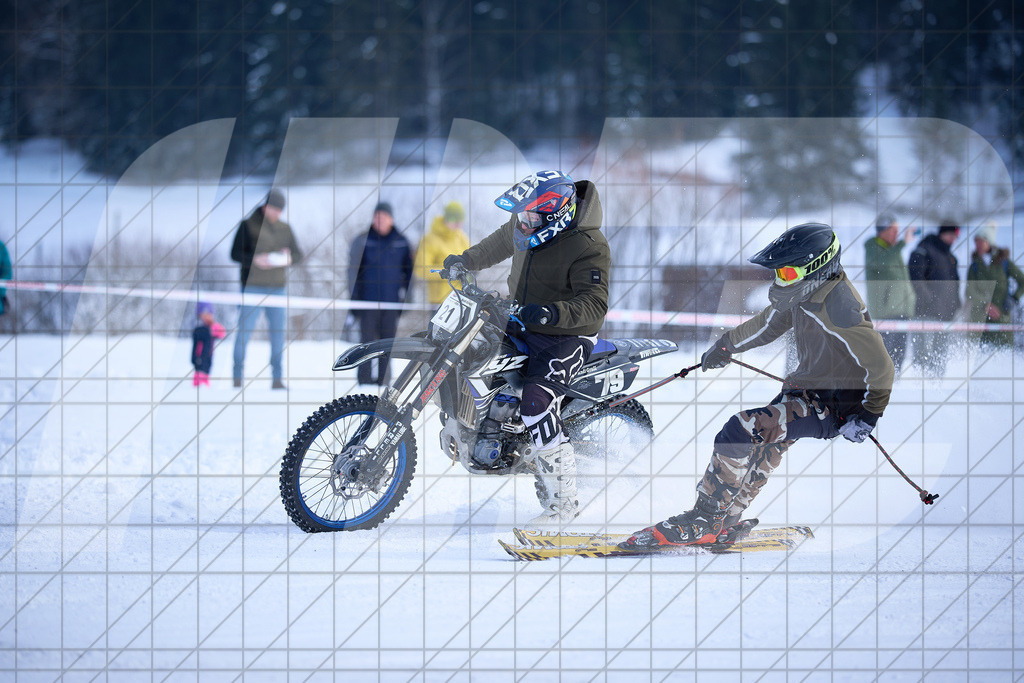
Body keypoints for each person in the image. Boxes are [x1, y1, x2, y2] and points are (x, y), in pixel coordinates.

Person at [623, 223, 894, 548]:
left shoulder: (840, 307)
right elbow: (769, 322)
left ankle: (705, 519)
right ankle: (726, 520)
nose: (782, 280)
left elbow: (881, 366)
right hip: (805, 390)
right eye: (779, 273)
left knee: (739, 430)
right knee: (765, 447)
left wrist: (867, 416)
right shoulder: (807, 292)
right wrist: (727, 345)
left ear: (817, 267)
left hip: (835, 406)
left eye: (789, 274)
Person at [442, 170, 610, 525]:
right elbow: (497, 243)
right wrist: (465, 260)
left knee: (536, 402)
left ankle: (563, 506)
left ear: (557, 213)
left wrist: (549, 313)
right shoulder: (525, 226)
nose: (523, 223)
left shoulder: (588, 244)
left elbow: (595, 305)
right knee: (471, 358)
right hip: (520, 319)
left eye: (532, 216)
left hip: (566, 334)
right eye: (522, 215)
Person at [229, 189, 303, 389]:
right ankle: (237, 378)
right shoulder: (247, 225)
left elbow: (298, 255)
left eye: (279, 210)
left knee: (278, 334)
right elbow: (234, 253)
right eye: (273, 208)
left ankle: (277, 379)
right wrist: (254, 260)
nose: (276, 213)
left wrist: (287, 258)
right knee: (244, 333)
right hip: (252, 287)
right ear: (265, 206)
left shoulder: (285, 229)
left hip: (277, 289)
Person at [348, 202, 414, 386]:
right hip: (366, 304)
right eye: (377, 216)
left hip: (391, 304)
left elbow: (410, 274)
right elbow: (352, 273)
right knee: (366, 345)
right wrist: (354, 301)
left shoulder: (402, 241)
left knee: (387, 345)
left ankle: (383, 382)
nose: (380, 220)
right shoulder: (362, 240)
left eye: (384, 216)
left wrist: (407, 300)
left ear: (391, 219)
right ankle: (364, 381)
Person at [864, 213, 916, 373]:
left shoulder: (893, 250)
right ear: (883, 230)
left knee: (898, 359)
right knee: (886, 358)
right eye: (893, 230)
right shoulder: (873, 248)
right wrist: (902, 244)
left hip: (902, 312)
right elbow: (882, 262)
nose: (897, 234)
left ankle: (897, 389)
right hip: (886, 313)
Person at [908, 222, 961, 376]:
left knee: (939, 358)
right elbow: (916, 277)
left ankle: (937, 391)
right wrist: (929, 299)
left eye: (955, 237)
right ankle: (920, 391)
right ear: (942, 233)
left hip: (946, 315)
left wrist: (956, 304)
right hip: (927, 313)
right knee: (923, 356)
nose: (953, 239)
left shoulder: (951, 257)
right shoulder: (925, 249)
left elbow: (955, 284)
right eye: (951, 235)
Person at [966, 222, 1024, 348]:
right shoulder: (974, 267)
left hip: (1002, 320)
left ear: (989, 242)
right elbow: (969, 291)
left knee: (1004, 357)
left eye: (982, 241)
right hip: (980, 322)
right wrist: (985, 304)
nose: (978, 245)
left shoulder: (1004, 263)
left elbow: (1022, 281)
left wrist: (1014, 298)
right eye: (976, 241)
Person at [414, 201, 471, 305]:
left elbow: (470, 261)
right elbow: (421, 269)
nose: (458, 225)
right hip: (440, 302)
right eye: (455, 221)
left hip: (462, 299)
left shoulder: (462, 238)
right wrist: (448, 272)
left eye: (460, 221)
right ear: (447, 219)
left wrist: (472, 269)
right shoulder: (430, 239)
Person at [191, 302, 227, 387]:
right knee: (199, 379)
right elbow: (195, 346)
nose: (207, 316)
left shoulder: (212, 327)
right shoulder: (199, 329)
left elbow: (222, 333)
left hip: (209, 358)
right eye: (204, 313)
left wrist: (213, 324)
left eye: (209, 313)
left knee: (206, 376)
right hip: (199, 358)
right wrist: (194, 358)